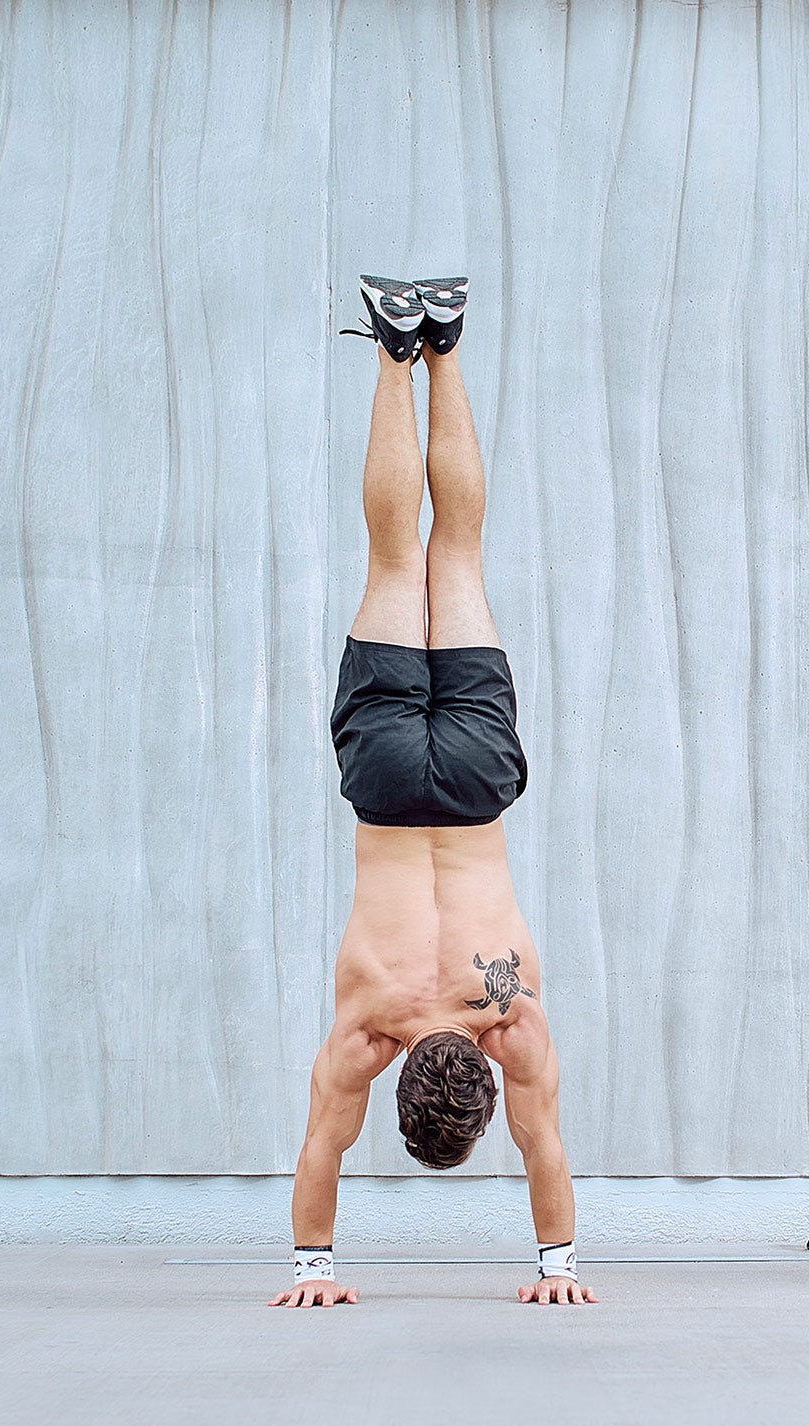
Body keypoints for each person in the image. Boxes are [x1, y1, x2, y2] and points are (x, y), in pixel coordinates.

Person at [271, 276, 595, 1309]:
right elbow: (322, 1148)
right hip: (381, 786)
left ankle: (445, 340)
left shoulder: (513, 1021)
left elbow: (545, 1152)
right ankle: (397, 350)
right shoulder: (366, 1028)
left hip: (472, 787)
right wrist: (312, 1267)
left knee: (452, 552)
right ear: (401, 1084)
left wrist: (560, 1270)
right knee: (394, 553)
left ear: (479, 1083)